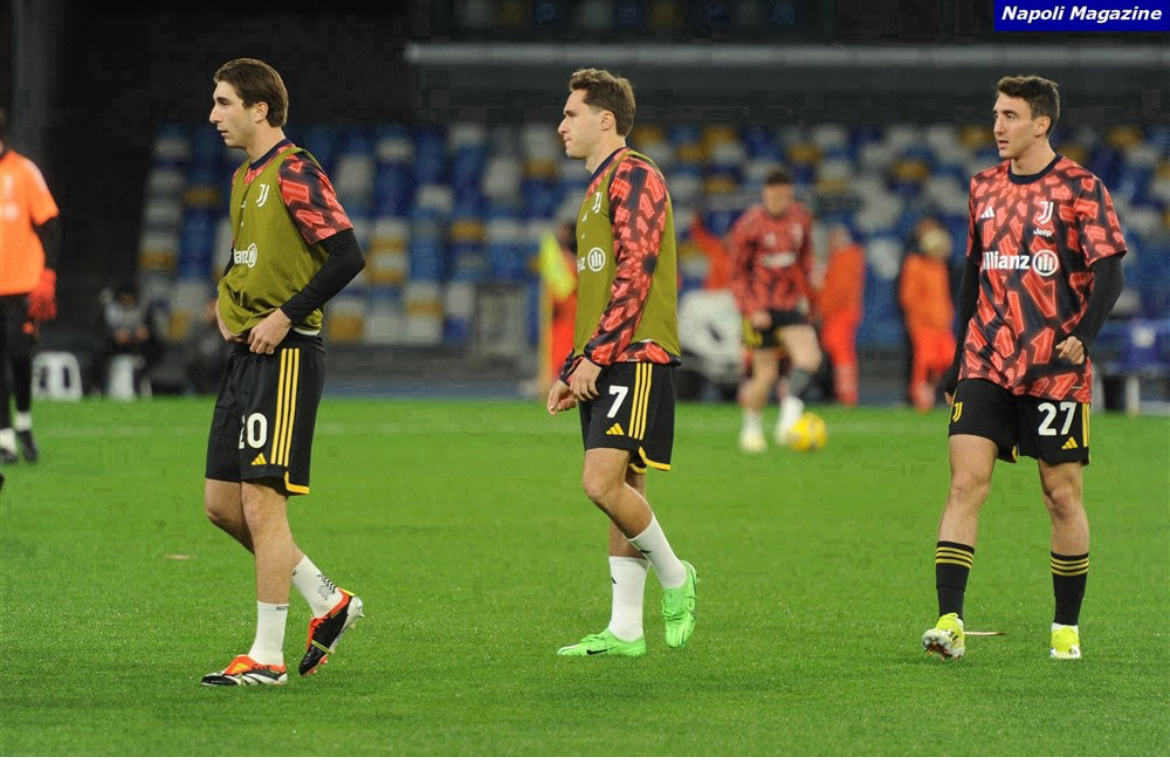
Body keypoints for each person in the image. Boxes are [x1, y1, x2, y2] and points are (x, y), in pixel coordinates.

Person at [922, 75, 1126, 662]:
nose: (997, 127)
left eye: (1009, 116)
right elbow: (972, 275)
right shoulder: (982, 187)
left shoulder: (1081, 187)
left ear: (1042, 123)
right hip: (986, 358)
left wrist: (1082, 338)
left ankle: (1066, 626)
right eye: (995, 115)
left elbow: (1110, 273)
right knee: (965, 483)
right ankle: (950, 621)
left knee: (1060, 495)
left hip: (1054, 368)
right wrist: (958, 358)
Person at [200, 58, 367, 686]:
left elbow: (347, 254)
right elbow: (245, 256)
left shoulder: (295, 170)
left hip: (289, 353)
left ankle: (266, 658)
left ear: (259, 108)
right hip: (248, 354)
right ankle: (328, 600)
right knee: (222, 506)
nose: (214, 115)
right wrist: (226, 302)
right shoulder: (245, 177)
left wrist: (285, 315)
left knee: (263, 507)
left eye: (224, 103)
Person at [547, 68, 699, 658]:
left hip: (636, 354)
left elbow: (636, 272)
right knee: (624, 487)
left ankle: (677, 576)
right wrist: (573, 366)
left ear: (604, 119)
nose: (561, 125)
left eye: (571, 114)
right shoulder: (596, 188)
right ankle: (626, 629)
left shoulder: (634, 174)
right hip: (605, 355)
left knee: (601, 482)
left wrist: (597, 355)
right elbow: (597, 290)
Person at [729, 167, 822, 452]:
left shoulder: (800, 218)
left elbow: (805, 256)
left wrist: (811, 281)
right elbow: (737, 274)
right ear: (765, 194)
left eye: (786, 197)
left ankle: (788, 420)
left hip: (789, 302)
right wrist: (751, 309)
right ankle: (751, 428)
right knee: (766, 375)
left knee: (810, 357)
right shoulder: (748, 226)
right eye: (776, 197)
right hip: (760, 308)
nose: (781, 202)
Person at [0, 107, 61, 465]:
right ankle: (5, 438)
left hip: (22, 286)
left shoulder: (23, 171)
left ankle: (23, 421)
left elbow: (50, 225)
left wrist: (47, 276)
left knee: (19, 356)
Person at [899, 226, 956, 411]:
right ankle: (920, 397)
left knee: (947, 359)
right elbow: (909, 297)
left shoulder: (939, 267)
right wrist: (925, 317)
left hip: (941, 325)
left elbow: (942, 296)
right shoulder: (915, 265)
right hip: (923, 325)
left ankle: (932, 392)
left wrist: (946, 315)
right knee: (924, 364)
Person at [818, 223, 866, 407]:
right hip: (842, 312)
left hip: (840, 313)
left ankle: (846, 393)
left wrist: (823, 309)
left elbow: (838, 291)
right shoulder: (845, 258)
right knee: (840, 352)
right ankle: (844, 392)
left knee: (841, 353)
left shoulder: (845, 258)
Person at [89, 280, 163, 397]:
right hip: (115, 344)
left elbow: (152, 326)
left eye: (129, 299)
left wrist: (146, 332)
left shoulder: (144, 304)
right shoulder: (109, 304)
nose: (127, 302)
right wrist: (114, 334)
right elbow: (98, 327)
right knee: (98, 351)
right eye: (124, 299)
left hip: (136, 343)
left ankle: (143, 379)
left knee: (157, 348)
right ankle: (97, 386)